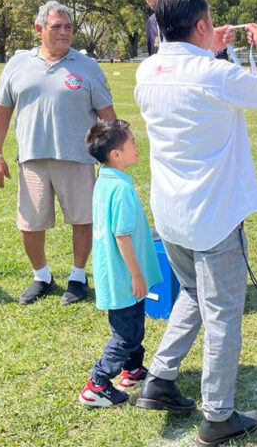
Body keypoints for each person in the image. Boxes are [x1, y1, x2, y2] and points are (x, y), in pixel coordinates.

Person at [133, 0, 257, 446]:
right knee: (223, 311)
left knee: (191, 294)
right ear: (201, 24)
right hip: (213, 214)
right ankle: (218, 414)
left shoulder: (147, 71)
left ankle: (160, 377)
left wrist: (213, 49)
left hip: (170, 212)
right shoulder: (211, 74)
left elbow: (195, 75)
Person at [0, 0, 116, 305]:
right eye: (56, 26)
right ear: (39, 29)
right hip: (32, 159)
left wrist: (110, 159)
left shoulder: (87, 67)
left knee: (83, 220)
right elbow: (1, 112)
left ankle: (77, 275)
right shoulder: (17, 65)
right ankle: (42, 276)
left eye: (69, 27)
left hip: (78, 157)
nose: (64, 32)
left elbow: (107, 116)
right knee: (30, 223)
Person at [78, 119, 162, 407]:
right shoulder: (121, 190)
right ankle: (97, 384)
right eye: (132, 143)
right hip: (124, 276)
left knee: (134, 327)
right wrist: (137, 276)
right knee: (126, 335)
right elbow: (122, 236)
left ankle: (133, 371)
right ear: (116, 154)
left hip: (113, 275)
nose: (137, 147)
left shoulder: (105, 180)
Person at [137, 0, 233, 60]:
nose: (151, 2)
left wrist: (215, 48)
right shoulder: (151, 22)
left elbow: (218, 58)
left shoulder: (195, 15)